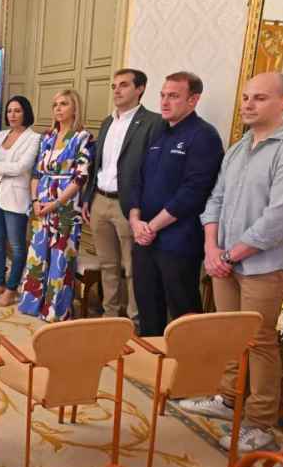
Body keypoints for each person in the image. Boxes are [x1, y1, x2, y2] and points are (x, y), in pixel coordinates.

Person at [180, 72, 283, 452]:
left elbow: (280, 218)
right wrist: (212, 248)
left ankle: (260, 423)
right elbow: (215, 201)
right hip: (225, 260)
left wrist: (230, 254)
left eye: (259, 98)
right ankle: (228, 399)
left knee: (259, 341)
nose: (247, 104)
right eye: (246, 97)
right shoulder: (239, 147)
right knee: (230, 335)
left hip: (265, 264)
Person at [128, 72, 224, 337]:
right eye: (162, 95)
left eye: (174, 96)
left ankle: (186, 372)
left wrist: (152, 227)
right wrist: (136, 221)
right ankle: (152, 367)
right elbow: (137, 179)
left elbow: (193, 192)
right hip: (144, 237)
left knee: (183, 313)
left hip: (178, 241)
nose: (165, 102)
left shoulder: (204, 135)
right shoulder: (158, 132)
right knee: (148, 307)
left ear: (193, 100)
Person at [81, 68, 162, 323]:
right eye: (114, 86)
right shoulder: (108, 122)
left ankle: (134, 321)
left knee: (132, 269)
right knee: (108, 266)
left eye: (124, 85)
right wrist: (87, 198)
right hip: (99, 201)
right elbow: (97, 165)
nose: (117, 90)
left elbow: (153, 170)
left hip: (128, 206)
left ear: (140, 89)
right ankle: (110, 317)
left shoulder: (153, 122)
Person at [18, 89, 94, 322]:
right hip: (40, 204)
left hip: (66, 207)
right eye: (55, 105)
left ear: (75, 108)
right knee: (38, 255)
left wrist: (55, 203)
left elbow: (81, 177)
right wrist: (36, 201)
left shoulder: (83, 137)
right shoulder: (47, 137)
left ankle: (55, 311)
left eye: (64, 104)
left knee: (60, 258)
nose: (58, 108)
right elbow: (36, 173)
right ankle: (32, 304)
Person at [0, 96, 41, 306]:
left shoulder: (33, 138)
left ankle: (11, 288)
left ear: (26, 113)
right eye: (9, 111)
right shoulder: (0, 135)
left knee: (16, 245)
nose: (12, 115)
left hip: (15, 197)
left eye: (17, 111)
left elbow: (21, 168)